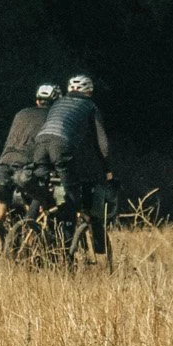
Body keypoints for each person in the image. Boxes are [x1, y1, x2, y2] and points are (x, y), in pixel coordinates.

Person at [30, 74, 112, 252]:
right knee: (70, 198)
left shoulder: (58, 103)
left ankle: (33, 235)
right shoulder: (90, 106)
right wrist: (107, 168)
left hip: (41, 143)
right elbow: (102, 144)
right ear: (89, 91)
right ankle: (65, 252)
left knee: (45, 188)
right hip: (61, 146)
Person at [0, 83, 58, 226]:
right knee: (40, 194)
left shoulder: (21, 113)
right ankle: (28, 237)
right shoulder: (52, 118)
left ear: (37, 100)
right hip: (26, 164)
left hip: (5, 162)